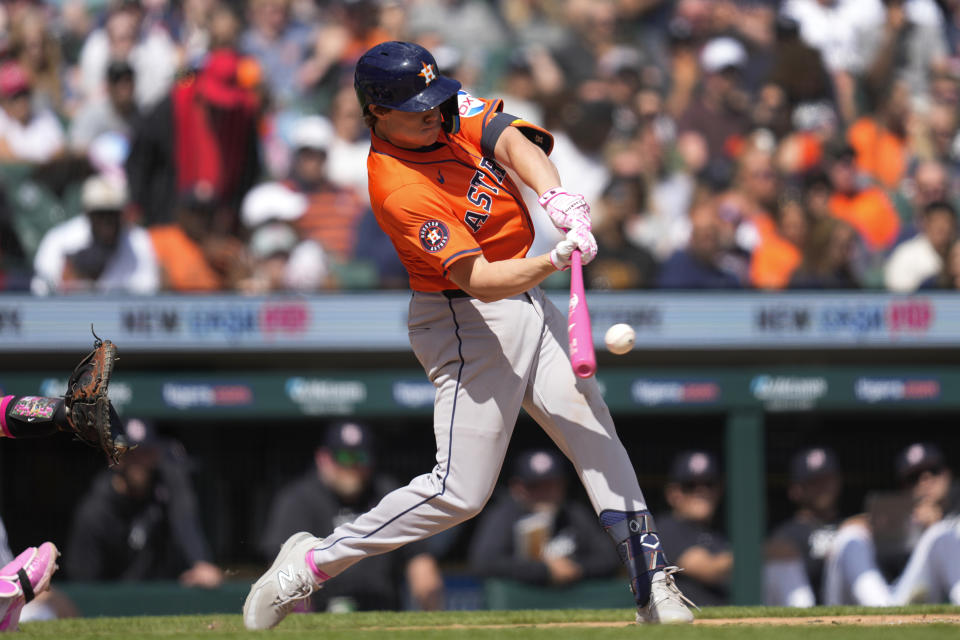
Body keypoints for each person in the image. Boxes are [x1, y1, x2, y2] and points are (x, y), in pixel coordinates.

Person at [244, 40, 695, 630]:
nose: (434, 111)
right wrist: (555, 257)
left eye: (434, 97)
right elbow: (479, 280)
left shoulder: (443, 107)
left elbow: (508, 135)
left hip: (526, 295)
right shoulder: (397, 186)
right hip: (466, 319)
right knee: (460, 492)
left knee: (594, 432)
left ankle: (653, 586)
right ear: (378, 111)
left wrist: (554, 195)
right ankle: (311, 561)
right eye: (416, 105)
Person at [260, 421, 443, 612]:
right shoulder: (299, 500)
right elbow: (281, 575)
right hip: (321, 613)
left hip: (381, 612)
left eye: (361, 457)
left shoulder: (387, 494)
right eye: (344, 457)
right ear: (323, 458)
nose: (352, 466)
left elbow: (421, 565)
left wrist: (431, 610)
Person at [65, 418, 224, 587]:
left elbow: (185, 518)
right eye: (130, 454)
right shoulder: (95, 512)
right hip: (115, 607)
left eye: (145, 452)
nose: (140, 462)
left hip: (162, 601)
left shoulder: (167, 485)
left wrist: (200, 561)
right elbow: (84, 585)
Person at [822, 442, 960, 606]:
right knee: (850, 537)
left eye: (933, 471)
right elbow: (849, 530)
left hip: (934, 596)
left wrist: (936, 524)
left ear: (947, 474)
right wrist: (884, 523)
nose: (925, 480)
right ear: (903, 486)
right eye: (913, 477)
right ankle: (881, 612)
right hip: (894, 597)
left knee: (941, 534)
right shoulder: (896, 516)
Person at [468, 448, 620, 587]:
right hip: (521, 600)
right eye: (535, 485)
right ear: (517, 488)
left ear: (563, 484)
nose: (545, 492)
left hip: (575, 601)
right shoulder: (503, 515)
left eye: (551, 484)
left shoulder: (575, 514)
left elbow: (609, 558)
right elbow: (484, 562)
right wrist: (545, 569)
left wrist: (576, 568)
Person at [31, 173, 158, 295]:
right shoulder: (59, 240)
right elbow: (40, 292)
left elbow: (147, 294)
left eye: (113, 214)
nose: (107, 221)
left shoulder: (139, 241)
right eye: (100, 214)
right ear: (87, 213)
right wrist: (71, 280)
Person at [765, 446, 843, 606]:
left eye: (826, 479)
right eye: (813, 482)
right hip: (800, 599)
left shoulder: (850, 526)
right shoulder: (786, 533)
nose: (822, 488)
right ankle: (807, 621)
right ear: (796, 490)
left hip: (843, 599)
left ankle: (886, 606)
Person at [656, 450, 732, 607]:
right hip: (684, 623)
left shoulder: (721, 532)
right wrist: (758, 552)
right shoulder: (665, 528)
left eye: (709, 484)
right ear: (673, 494)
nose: (701, 491)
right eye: (690, 486)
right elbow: (708, 570)